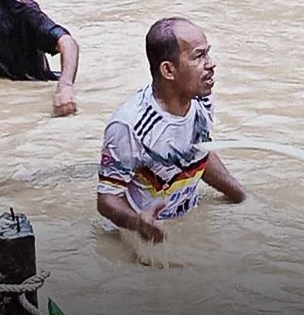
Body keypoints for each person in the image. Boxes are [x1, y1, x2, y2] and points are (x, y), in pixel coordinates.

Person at [96, 17, 246, 243]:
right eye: (199, 56)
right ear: (168, 70)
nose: (211, 64)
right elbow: (107, 199)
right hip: (143, 236)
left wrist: (243, 197)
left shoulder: (200, 100)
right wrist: (138, 223)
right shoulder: (129, 125)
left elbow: (199, 153)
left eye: (208, 53)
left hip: (186, 221)